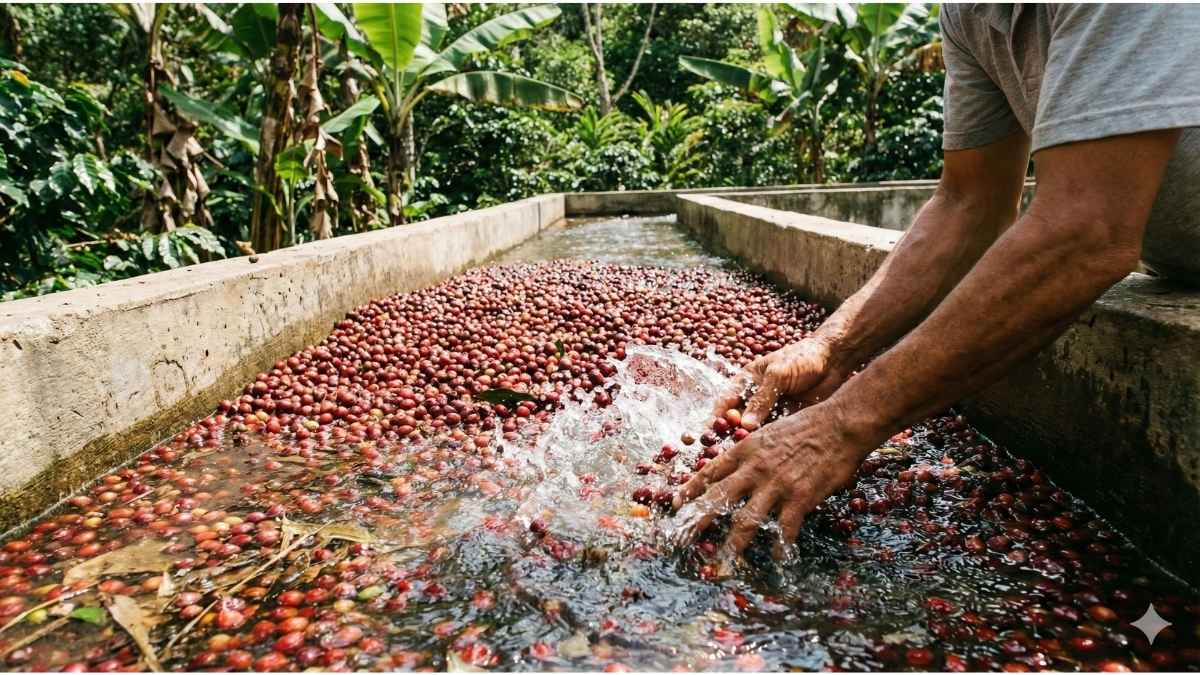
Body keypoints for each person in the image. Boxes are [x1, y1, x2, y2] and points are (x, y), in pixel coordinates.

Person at [673, 4, 1200, 558]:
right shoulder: (967, 11)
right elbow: (969, 202)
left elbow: (1086, 230)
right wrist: (832, 346)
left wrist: (842, 423)